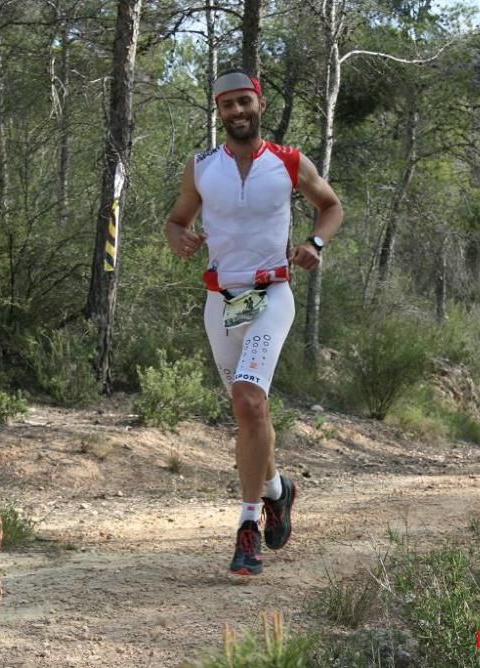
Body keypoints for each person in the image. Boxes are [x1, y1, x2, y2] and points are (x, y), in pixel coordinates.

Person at [165, 68, 343, 575]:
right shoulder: (201, 167)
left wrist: (315, 243)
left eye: (245, 102)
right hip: (222, 302)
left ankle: (247, 530)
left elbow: (330, 207)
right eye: (228, 106)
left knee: (249, 398)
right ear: (219, 111)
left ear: (259, 104)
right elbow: (177, 219)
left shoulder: (288, 162)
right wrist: (176, 235)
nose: (237, 112)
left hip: (271, 294)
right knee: (249, 414)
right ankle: (276, 491)